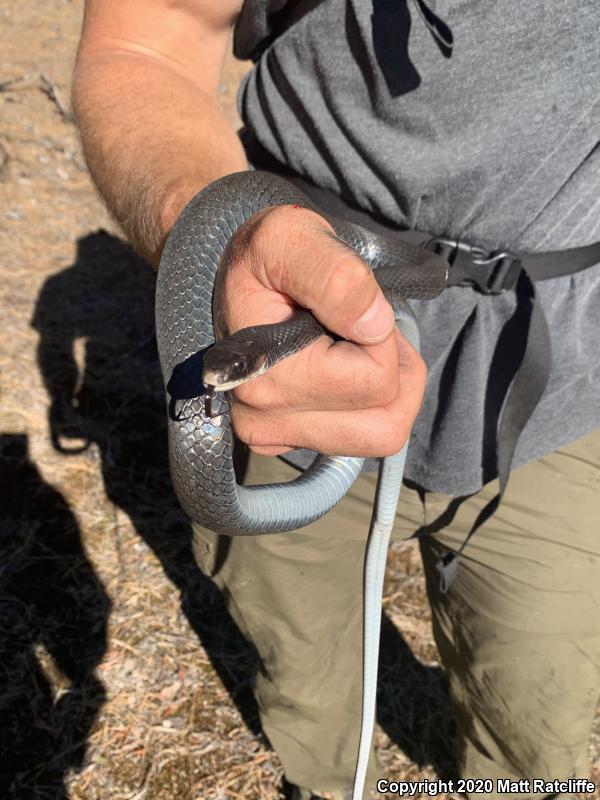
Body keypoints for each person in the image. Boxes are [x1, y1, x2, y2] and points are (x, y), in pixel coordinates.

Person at [72, 1, 600, 798]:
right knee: (305, 672)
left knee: (537, 713)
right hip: (287, 358)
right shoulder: (245, 364)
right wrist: (223, 256)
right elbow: (149, 41)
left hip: (561, 398)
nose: (202, 380)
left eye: (216, 373)